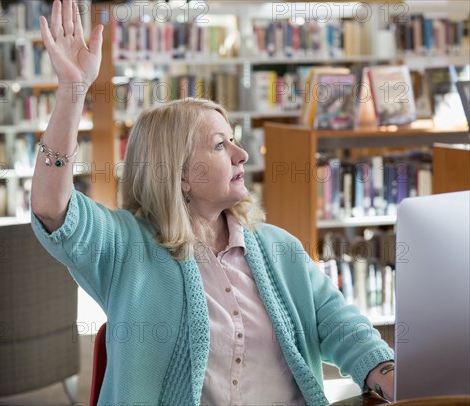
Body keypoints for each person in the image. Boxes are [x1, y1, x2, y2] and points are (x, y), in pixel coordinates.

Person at [31, 1, 395, 405]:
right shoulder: (125, 249)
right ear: (180, 174)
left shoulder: (279, 248)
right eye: (221, 145)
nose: (242, 156)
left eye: (234, 140)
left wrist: (385, 371)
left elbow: (341, 325)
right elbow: (52, 207)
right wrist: (72, 93)